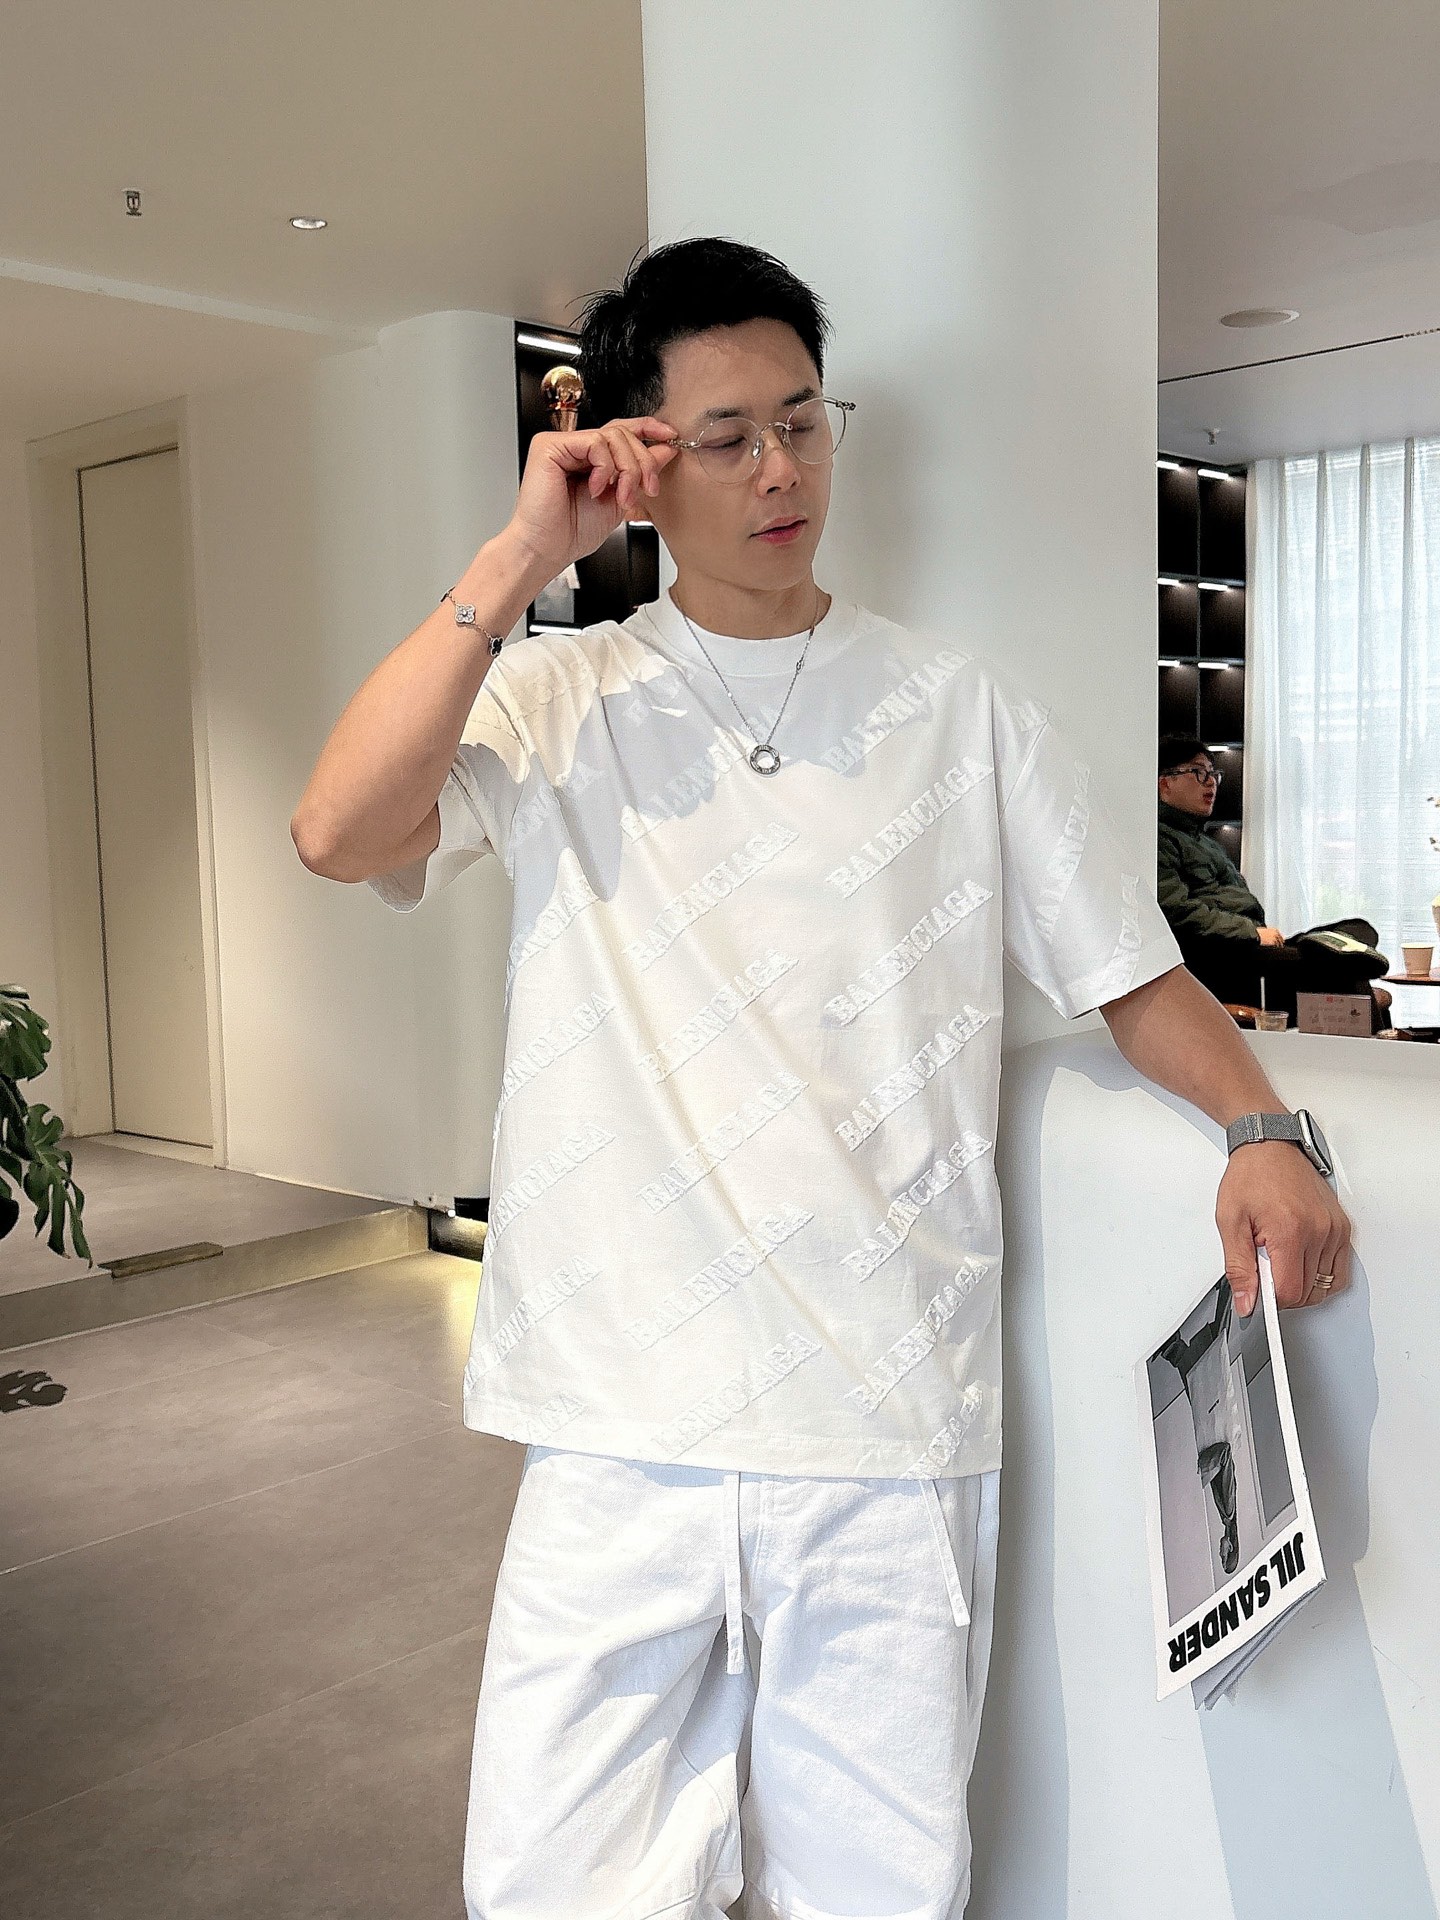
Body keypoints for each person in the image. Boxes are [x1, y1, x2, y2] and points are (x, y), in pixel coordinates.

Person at [291, 238, 1353, 1920]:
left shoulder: (955, 707)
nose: (781, 468)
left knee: (878, 1893)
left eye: (802, 420)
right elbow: (338, 831)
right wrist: (520, 555)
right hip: (620, 1428)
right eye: (727, 437)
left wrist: (1262, 1126)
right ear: (640, 464)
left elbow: (1130, 971)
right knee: (556, 1891)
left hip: (888, 1424)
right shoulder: (561, 694)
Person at [1156, 736, 1392, 1031]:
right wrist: (1252, 934)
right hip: (1225, 963)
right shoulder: (1158, 841)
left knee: (1358, 928)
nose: (1211, 782)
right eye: (1198, 772)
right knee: (1340, 971)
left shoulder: (1208, 843)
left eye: (1213, 773)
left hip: (1254, 953)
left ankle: (1330, 950)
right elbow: (1175, 911)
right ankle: (1374, 1048)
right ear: (1165, 783)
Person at [1160, 1282, 1242, 1578]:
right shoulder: (1229, 1511)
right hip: (1217, 1429)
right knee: (1213, 1357)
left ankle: (1174, 1349)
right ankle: (1229, 1287)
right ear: (1231, 1547)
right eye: (1224, 1554)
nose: (1219, 1550)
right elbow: (1225, 1456)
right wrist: (1205, 1465)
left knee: (1197, 1381)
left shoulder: (1226, 1517)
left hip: (1211, 1429)